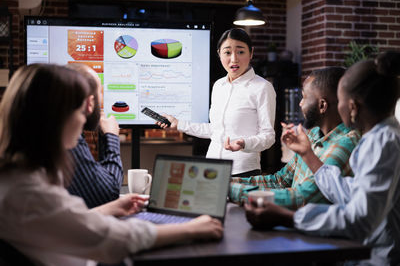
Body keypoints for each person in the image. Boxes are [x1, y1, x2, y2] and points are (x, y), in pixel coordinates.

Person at [0, 64, 223, 266]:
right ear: (57, 117)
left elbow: (60, 222)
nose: (84, 119)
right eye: (80, 111)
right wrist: (190, 229)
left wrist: (109, 209)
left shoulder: (20, 177)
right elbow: (114, 240)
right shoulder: (29, 194)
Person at [245, 51, 400, 265]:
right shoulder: (383, 136)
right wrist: (307, 154)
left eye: (341, 101)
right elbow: (351, 192)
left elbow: (361, 220)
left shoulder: (381, 143)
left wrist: (289, 218)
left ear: (352, 107)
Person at [229, 67, 360, 209]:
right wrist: (226, 181)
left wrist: (229, 190)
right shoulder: (313, 135)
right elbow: (279, 181)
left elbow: (300, 199)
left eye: (304, 97)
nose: (300, 103)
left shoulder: (345, 145)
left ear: (322, 105)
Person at [158, 28, 276, 177]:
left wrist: (244, 143)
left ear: (251, 53)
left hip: (243, 172)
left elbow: (268, 136)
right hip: (211, 169)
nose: (234, 59)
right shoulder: (219, 86)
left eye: (240, 52)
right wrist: (178, 124)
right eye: (227, 52)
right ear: (219, 53)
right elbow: (215, 130)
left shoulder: (262, 87)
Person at [66, 63, 123, 208]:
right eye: (100, 93)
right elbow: (107, 195)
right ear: (89, 103)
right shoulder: (67, 140)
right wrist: (112, 136)